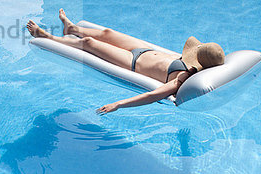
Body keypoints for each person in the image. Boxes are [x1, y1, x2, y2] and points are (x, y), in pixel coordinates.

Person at [27, 10, 225, 114]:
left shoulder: (182, 78)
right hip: (145, 50)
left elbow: (153, 95)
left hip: (132, 61)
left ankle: (47, 37)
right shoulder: (193, 62)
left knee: (89, 43)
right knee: (107, 33)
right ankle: (71, 29)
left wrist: (119, 104)